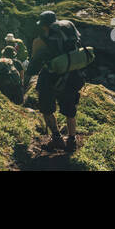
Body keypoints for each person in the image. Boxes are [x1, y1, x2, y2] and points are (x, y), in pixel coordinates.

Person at [20, 11, 85, 152]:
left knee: (46, 108)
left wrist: (26, 79)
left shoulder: (41, 40)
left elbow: (34, 64)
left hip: (50, 79)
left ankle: (56, 138)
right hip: (72, 75)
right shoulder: (70, 29)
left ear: (44, 25)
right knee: (70, 109)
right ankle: (72, 140)